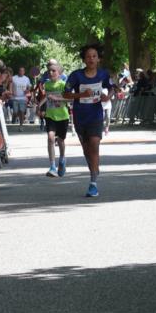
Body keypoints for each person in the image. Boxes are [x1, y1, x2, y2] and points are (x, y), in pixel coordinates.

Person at [64, 44, 114, 198]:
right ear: (84, 59)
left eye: (94, 56)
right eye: (88, 56)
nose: (91, 59)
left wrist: (108, 96)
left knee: (94, 144)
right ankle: (94, 169)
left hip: (96, 115)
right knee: (86, 150)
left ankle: (93, 182)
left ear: (98, 59)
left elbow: (112, 88)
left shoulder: (104, 74)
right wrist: (81, 95)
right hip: (80, 116)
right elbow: (65, 94)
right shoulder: (76, 75)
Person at [40, 63, 69, 177]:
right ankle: (52, 166)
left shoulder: (63, 85)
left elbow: (70, 99)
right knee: (50, 138)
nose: (51, 73)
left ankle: (62, 159)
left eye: (53, 71)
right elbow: (46, 97)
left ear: (59, 73)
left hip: (62, 116)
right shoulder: (46, 84)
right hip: (50, 115)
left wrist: (57, 98)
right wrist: (39, 106)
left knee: (61, 141)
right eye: (49, 71)